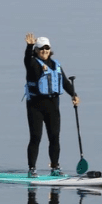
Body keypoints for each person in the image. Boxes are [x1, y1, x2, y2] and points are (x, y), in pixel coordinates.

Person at [23, 33, 79, 177]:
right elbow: (27, 59)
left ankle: (55, 168)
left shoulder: (56, 65)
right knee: (36, 137)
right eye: (41, 49)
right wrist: (29, 46)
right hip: (35, 105)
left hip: (53, 106)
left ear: (50, 50)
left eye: (47, 49)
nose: (44, 51)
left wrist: (74, 95)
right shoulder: (33, 63)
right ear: (37, 50)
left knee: (54, 137)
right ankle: (32, 169)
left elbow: (65, 82)